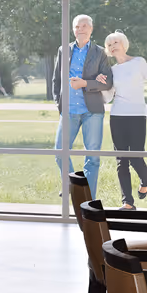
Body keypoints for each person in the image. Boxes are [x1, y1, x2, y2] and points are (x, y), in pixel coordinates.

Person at [49, 13, 112, 191]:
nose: (80, 29)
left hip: (92, 111)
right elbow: (56, 80)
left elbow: (107, 82)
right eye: (77, 26)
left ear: (91, 29)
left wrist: (86, 84)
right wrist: (59, 104)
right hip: (68, 110)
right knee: (60, 152)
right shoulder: (64, 50)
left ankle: (87, 197)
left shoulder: (100, 52)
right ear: (73, 30)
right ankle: (73, 186)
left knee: (92, 157)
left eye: (84, 26)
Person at [104, 30, 147, 209]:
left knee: (136, 156)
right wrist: (102, 84)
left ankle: (145, 181)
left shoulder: (139, 62)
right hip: (117, 115)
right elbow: (107, 97)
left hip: (138, 114)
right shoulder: (112, 70)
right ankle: (127, 202)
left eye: (115, 42)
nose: (113, 46)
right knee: (121, 159)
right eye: (109, 45)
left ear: (124, 44)